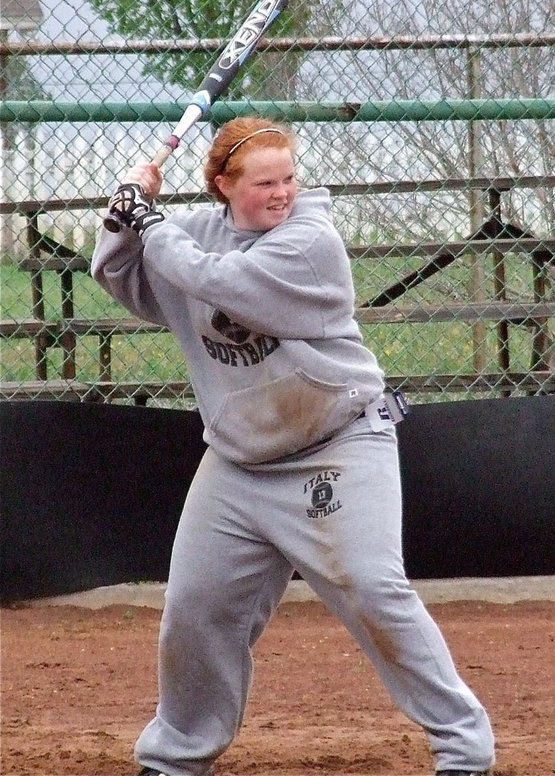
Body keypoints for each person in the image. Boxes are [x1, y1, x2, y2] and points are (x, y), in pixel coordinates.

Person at [92, 116, 495, 776]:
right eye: (263, 182)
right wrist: (121, 212)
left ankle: (464, 751)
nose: (282, 192)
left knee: (371, 588)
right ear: (222, 185)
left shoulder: (309, 241)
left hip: (336, 445)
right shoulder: (193, 232)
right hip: (239, 462)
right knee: (194, 613)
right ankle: (173, 758)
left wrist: (151, 222)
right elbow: (122, 277)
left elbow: (217, 281)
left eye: (288, 177)